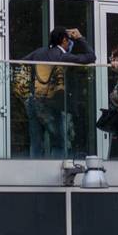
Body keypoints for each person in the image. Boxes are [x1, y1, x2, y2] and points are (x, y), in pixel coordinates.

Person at [23, 25, 95, 158]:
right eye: (69, 40)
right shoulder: (63, 57)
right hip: (52, 104)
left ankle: (34, 172)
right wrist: (79, 38)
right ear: (64, 40)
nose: (70, 43)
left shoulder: (39, 52)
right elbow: (91, 57)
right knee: (59, 142)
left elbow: (21, 63)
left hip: (34, 101)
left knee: (36, 143)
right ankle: (55, 173)